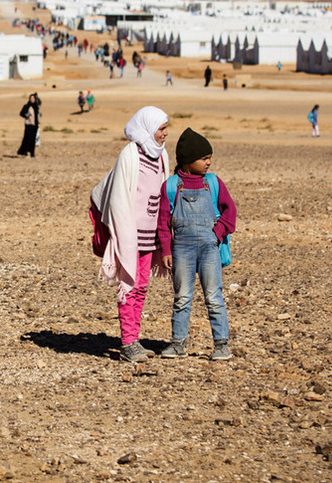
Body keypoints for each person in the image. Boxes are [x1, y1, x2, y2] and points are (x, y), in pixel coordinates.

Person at [90, 106, 170, 362]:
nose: (165, 133)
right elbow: (119, 198)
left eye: (166, 128)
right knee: (129, 286)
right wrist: (124, 235)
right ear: (148, 128)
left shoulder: (161, 156)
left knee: (142, 286)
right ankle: (127, 343)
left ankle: (134, 338)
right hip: (130, 235)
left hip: (150, 237)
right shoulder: (130, 154)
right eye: (161, 128)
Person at [157, 127, 237, 360]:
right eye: (204, 158)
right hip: (181, 249)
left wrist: (218, 232)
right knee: (182, 297)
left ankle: (221, 345)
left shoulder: (213, 183)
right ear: (188, 161)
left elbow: (229, 211)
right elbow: (163, 222)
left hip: (209, 248)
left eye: (209, 158)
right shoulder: (171, 186)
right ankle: (178, 344)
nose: (209, 163)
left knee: (214, 296)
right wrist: (165, 250)